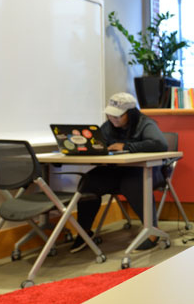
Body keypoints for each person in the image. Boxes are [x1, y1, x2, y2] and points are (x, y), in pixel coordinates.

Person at [69, 92, 168, 253]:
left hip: (144, 171)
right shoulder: (107, 126)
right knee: (89, 181)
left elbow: (160, 144)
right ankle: (85, 232)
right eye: (110, 115)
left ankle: (151, 232)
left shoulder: (145, 124)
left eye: (118, 116)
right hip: (116, 171)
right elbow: (99, 144)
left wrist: (126, 146)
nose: (113, 119)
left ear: (131, 113)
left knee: (132, 183)